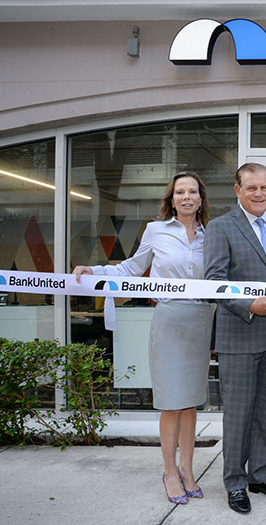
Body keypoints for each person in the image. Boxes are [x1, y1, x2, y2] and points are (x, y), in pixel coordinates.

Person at [73, 170, 215, 505]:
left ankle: (187, 468)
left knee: (191, 402)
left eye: (192, 191)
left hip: (201, 320)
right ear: (172, 198)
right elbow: (130, 269)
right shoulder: (156, 231)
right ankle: (169, 472)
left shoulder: (212, 235)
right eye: (180, 191)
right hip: (169, 320)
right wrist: (95, 271)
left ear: (200, 198)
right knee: (171, 402)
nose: (186, 197)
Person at [204, 162, 266, 514]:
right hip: (240, 334)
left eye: (265, 188)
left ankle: (260, 474)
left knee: (265, 413)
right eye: (252, 188)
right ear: (238, 190)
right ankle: (235, 482)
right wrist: (250, 305)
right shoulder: (220, 227)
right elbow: (215, 281)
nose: (259, 194)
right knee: (238, 415)